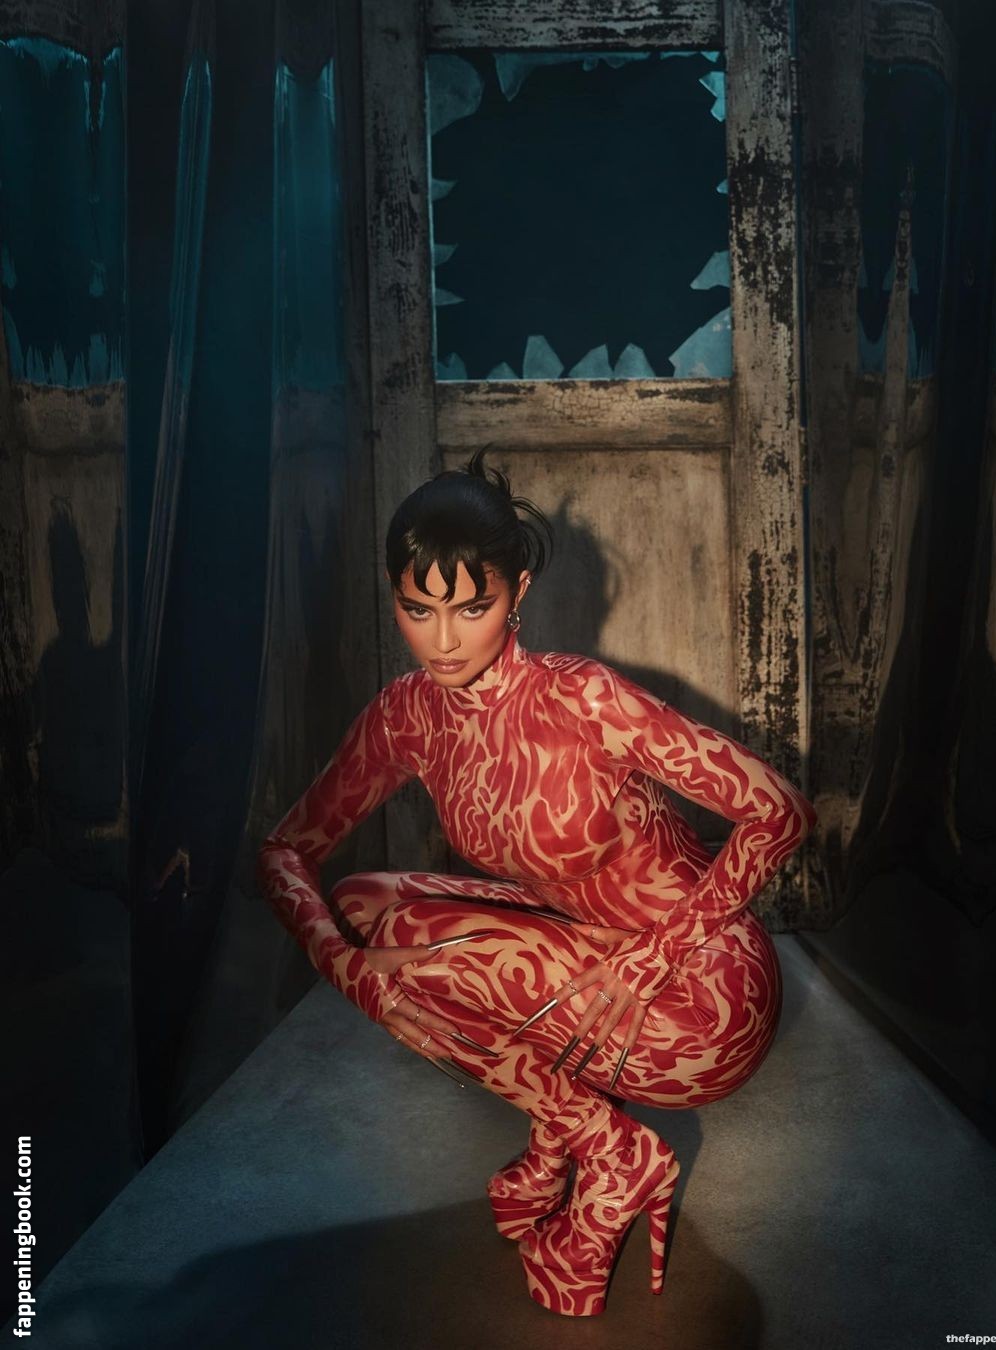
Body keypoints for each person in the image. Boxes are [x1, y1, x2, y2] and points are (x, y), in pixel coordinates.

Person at [257, 451, 816, 1318]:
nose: (444, 640)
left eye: (471, 608)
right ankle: (563, 1139)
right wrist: (344, 967)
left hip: (701, 989)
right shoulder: (409, 715)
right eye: (418, 609)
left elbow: (780, 811)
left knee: (422, 961)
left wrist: (657, 953)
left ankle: (610, 1159)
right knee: (364, 914)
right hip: (587, 957)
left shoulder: (585, 700)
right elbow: (285, 851)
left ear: (517, 593)